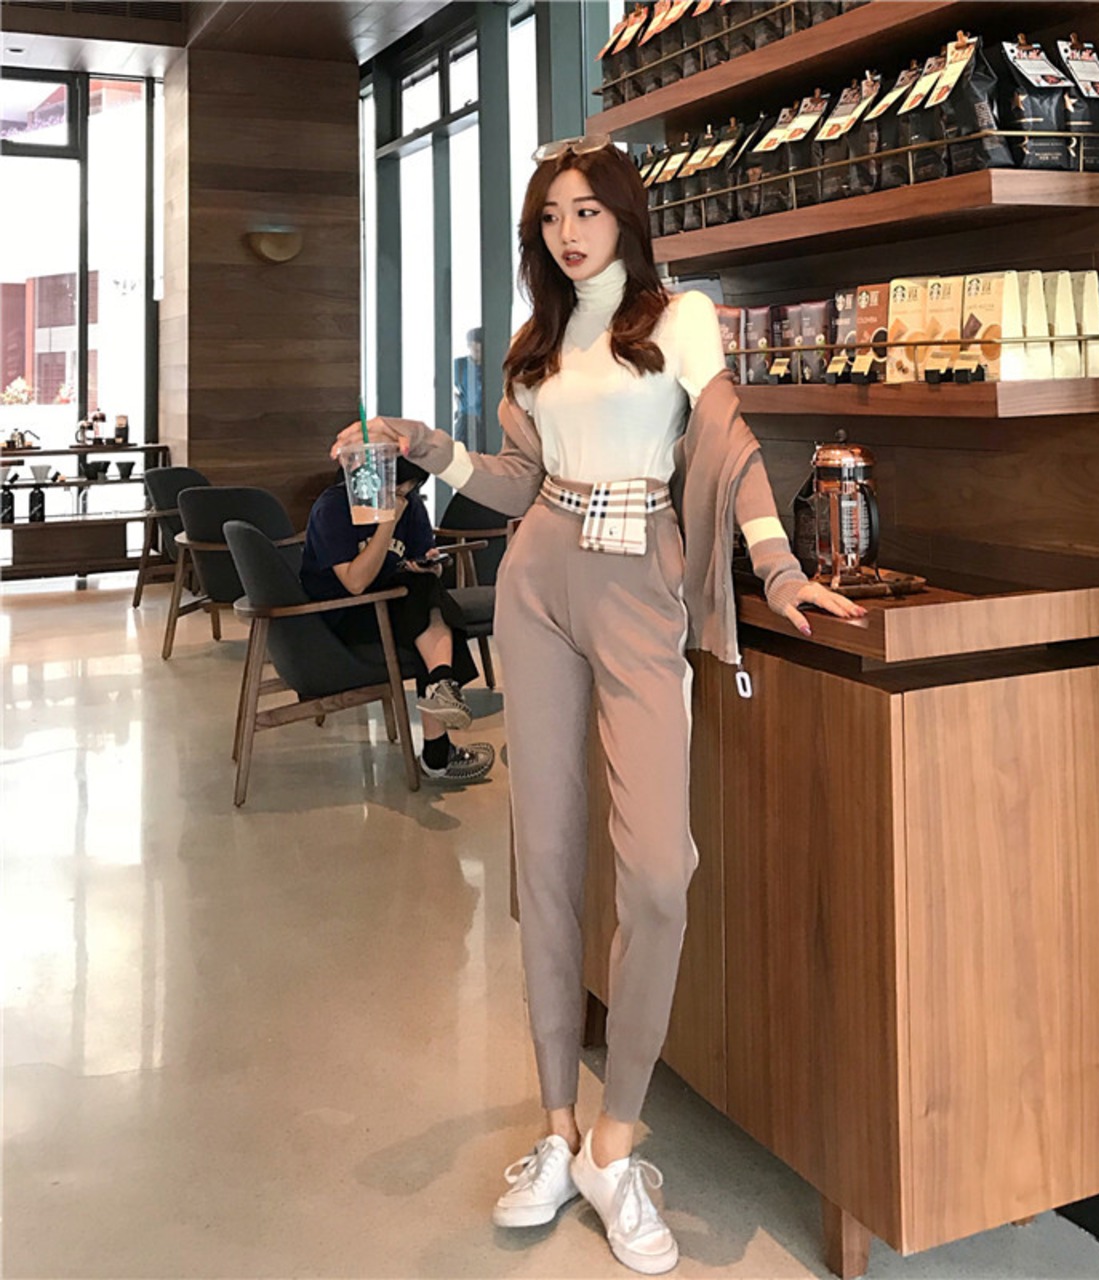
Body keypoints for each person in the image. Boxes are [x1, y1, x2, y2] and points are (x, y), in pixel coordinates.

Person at [333, 135, 865, 1274]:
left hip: (637, 584)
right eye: (550, 217)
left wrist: (777, 569)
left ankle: (618, 1140)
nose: (568, 232)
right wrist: (422, 445)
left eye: (585, 210)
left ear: (624, 214)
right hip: (537, 575)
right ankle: (557, 1126)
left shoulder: (679, 318)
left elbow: (730, 451)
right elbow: (516, 482)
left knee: (658, 869)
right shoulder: (536, 342)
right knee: (544, 854)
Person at [300, 455, 495, 784]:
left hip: (388, 603)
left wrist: (429, 566)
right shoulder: (333, 507)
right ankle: (437, 750)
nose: (405, 494)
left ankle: (441, 685)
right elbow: (355, 582)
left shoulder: (410, 504)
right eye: (398, 487)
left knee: (424, 593)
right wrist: (387, 523)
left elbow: (415, 559)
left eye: (411, 488)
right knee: (423, 614)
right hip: (340, 615)